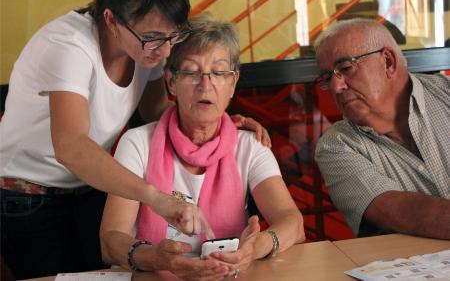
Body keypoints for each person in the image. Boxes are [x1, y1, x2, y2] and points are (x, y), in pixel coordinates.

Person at [0, 0, 269, 279]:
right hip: (28, 195)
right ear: (112, 20)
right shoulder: (69, 46)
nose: (166, 50)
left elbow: (157, 112)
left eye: (172, 36)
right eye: (153, 38)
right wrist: (156, 198)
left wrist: (222, 125)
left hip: (89, 187)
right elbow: (71, 147)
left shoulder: (146, 48)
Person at [100, 14, 305, 280]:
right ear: (171, 81)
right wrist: (156, 259)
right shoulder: (137, 144)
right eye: (192, 71)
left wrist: (255, 248)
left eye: (219, 73)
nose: (205, 85)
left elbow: (293, 222)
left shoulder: (250, 145)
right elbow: (110, 241)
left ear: (233, 84)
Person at [314, 18, 450, 239]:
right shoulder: (336, 145)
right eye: (328, 78)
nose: (336, 87)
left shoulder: (445, 94)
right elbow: (395, 212)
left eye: (346, 68)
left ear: (388, 62)